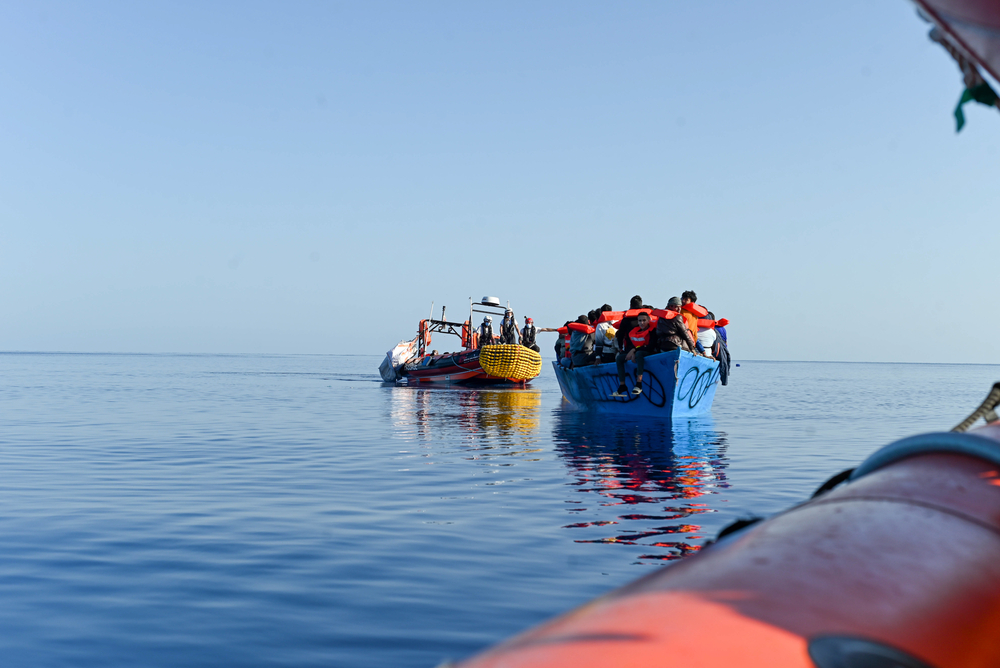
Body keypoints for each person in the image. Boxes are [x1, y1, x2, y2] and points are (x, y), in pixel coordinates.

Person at [613, 310, 657, 397]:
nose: (642, 322)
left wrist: (634, 351)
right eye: (640, 320)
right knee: (620, 358)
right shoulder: (634, 332)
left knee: (639, 354)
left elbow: (650, 346)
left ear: (648, 320)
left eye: (644, 320)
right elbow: (635, 346)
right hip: (637, 351)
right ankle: (622, 385)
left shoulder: (652, 331)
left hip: (649, 352)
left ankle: (639, 384)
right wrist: (633, 350)